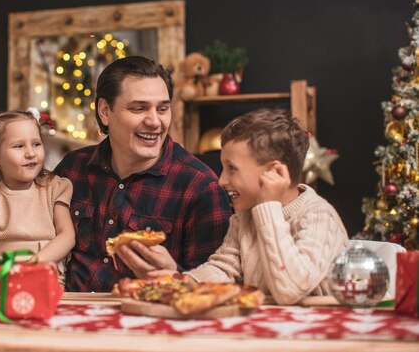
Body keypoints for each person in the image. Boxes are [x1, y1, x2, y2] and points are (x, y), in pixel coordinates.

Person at [54, 55, 232, 292]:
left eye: (163, 109)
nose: (155, 122)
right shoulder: (73, 168)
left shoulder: (201, 187)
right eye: (139, 108)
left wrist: (175, 276)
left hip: (149, 321)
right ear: (105, 111)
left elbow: (215, 291)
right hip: (67, 317)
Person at [146, 108, 349, 305]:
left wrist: (269, 207)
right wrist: (187, 282)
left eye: (232, 169)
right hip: (267, 329)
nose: (221, 180)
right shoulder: (245, 215)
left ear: (275, 173)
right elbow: (225, 268)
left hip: (314, 333)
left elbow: (289, 292)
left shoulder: (318, 218)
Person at [0, 109, 75, 284]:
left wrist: (33, 263)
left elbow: (67, 236)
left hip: (49, 282)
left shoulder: (55, 188)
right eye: (19, 146)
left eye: (36, 144)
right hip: (6, 284)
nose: (30, 153)